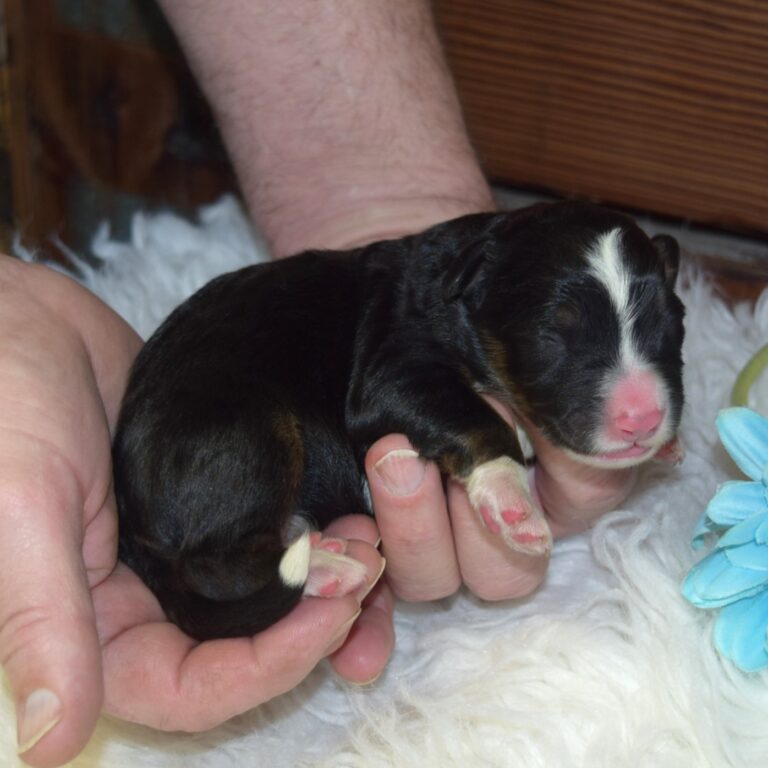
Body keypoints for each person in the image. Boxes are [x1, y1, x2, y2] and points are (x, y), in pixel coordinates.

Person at [0, 3, 637, 766]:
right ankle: (238, 562)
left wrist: (381, 194)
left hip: (238, 416)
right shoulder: (398, 329)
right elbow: (391, 391)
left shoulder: (408, 302)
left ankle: (258, 557)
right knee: (255, 446)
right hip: (217, 412)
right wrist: (488, 448)